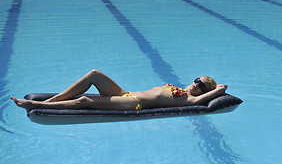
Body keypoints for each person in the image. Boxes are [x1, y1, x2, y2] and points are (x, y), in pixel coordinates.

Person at [11, 69, 228, 111]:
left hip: (133, 104)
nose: (195, 84)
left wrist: (218, 90)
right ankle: (53, 101)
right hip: (125, 94)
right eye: (196, 80)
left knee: (86, 101)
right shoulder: (178, 89)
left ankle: (34, 105)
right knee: (94, 74)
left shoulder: (188, 101)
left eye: (200, 85)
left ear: (203, 92)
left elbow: (211, 96)